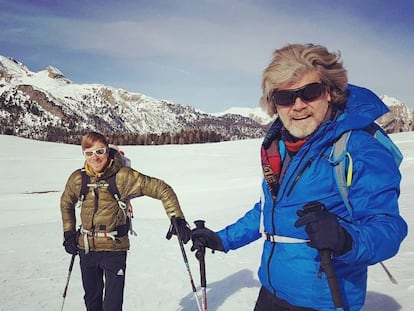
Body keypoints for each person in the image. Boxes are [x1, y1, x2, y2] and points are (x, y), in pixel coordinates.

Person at [190, 43, 407, 311]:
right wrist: (223, 239)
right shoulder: (280, 146)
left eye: (310, 92)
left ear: (329, 92)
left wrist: (344, 238)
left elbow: (387, 227)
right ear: (273, 104)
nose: (298, 105)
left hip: (323, 301)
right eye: (285, 97)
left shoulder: (358, 147)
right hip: (271, 292)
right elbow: (270, 209)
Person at [60, 131, 191, 311]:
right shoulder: (78, 178)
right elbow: (66, 202)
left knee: (112, 306)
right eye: (89, 153)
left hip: (114, 249)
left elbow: (162, 189)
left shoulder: (123, 176)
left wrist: (177, 218)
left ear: (107, 151)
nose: (95, 157)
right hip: (86, 248)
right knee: (92, 301)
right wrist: (69, 233)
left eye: (100, 152)